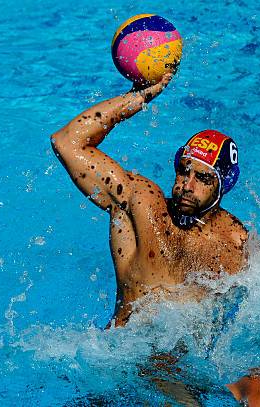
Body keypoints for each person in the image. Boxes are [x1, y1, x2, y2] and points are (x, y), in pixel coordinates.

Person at [50, 73, 248, 328]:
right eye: (183, 170)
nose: (187, 185)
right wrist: (138, 97)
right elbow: (67, 141)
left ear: (224, 185)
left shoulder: (236, 239)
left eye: (203, 178)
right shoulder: (142, 205)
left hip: (189, 369)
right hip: (119, 363)